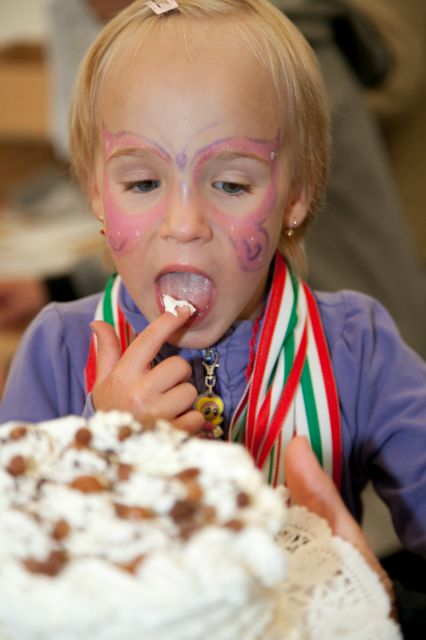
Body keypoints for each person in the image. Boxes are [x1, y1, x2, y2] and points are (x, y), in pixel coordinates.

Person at [0, 0, 425, 630]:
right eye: (142, 184)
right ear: (95, 191)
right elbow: (16, 565)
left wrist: (378, 589)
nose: (184, 225)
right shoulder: (59, 350)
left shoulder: (357, 346)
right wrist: (105, 449)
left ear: (296, 196)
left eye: (230, 184)